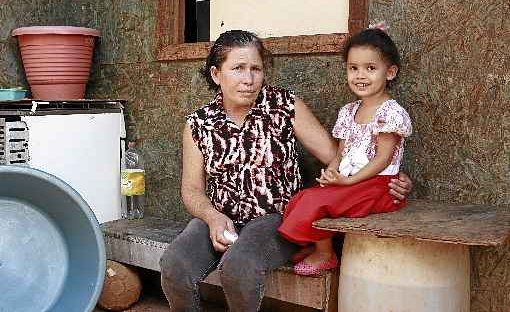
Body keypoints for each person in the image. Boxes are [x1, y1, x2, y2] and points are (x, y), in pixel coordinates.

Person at [159, 29, 412, 312]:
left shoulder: (284, 106)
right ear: (217, 74)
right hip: (218, 217)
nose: (249, 79)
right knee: (174, 265)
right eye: (238, 68)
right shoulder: (198, 124)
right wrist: (212, 217)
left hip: (275, 220)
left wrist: (387, 176)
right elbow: (191, 190)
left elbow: (339, 158)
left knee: (239, 267)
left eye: (256, 68)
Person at [277, 23, 412, 276]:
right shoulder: (348, 112)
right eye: (353, 68)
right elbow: (340, 155)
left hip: (377, 186)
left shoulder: (390, 113)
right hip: (351, 182)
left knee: (315, 202)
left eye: (370, 68)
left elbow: (382, 160)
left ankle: (326, 254)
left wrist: (347, 182)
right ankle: (314, 243)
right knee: (301, 198)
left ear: (390, 72)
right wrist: (331, 174)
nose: (360, 75)